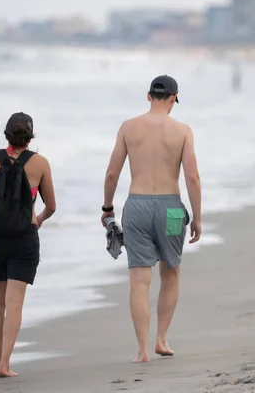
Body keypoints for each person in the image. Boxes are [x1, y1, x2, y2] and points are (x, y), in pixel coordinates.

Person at [101, 75, 202, 363]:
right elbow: (192, 177)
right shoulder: (182, 131)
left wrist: (107, 208)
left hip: (136, 208)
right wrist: (196, 216)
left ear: (149, 96)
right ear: (173, 98)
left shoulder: (128, 128)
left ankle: (142, 351)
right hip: (171, 208)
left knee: (139, 281)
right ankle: (161, 339)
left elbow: (112, 173)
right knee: (171, 272)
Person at [0, 112, 56, 377]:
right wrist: (37, 220)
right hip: (24, 239)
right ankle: (5, 363)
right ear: (30, 137)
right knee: (15, 302)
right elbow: (51, 206)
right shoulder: (40, 163)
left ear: (6, 135)